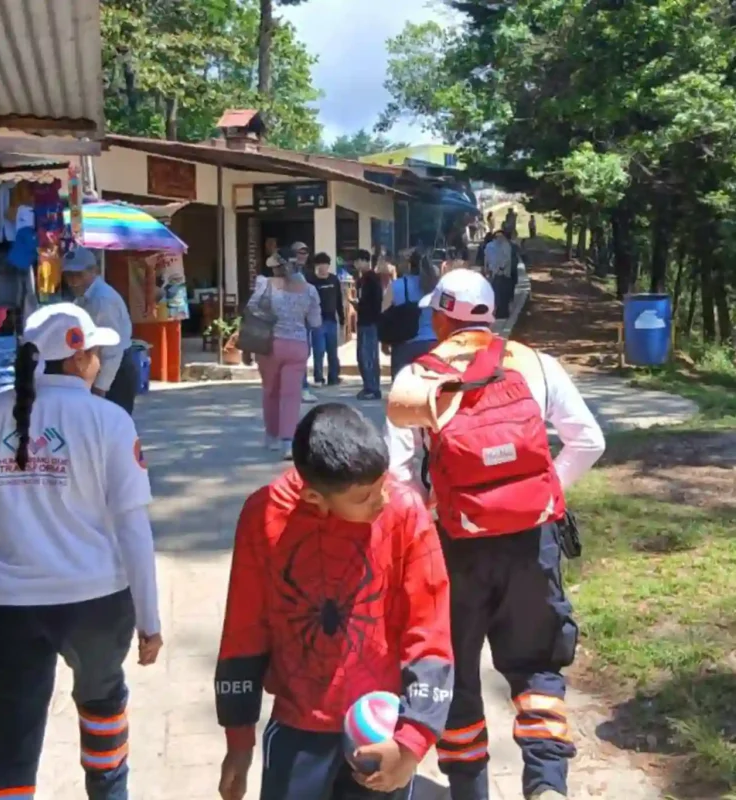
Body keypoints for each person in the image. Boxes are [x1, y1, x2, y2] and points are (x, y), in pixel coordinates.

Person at [385, 268, 607, 800]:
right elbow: (589, 441)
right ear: (490, 315)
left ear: (442, 318)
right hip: (533, 542)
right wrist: (542, 494)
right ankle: (547, 782)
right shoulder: (537, 363)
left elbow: (396, 474)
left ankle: (470, 791)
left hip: (453, 548)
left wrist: (431, 520)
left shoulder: (417, 375)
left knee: (456, 673)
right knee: (537, 667)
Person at [0, 303, 162, 800]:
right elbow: (133, 528)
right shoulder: (110, 420)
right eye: (96, 352)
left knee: (10, 748)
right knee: (103, 712)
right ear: (78, 358)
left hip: (2, 606)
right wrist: (149, 619)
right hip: (97, 602)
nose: (100, 361)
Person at [215, 403, 454, 800]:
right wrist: (238, 743)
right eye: (364, 497)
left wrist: (412, 742)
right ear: (314, 496)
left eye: (382, 483)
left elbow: (430, 628)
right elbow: (244, 628)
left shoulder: (405, 512)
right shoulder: (265, 515)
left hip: (382, 730)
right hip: (296, 727)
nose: (382, 500)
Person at [251, 259, 322, 459]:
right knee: (291, 395)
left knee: (270, 392)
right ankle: (287, 442)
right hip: (298, 345)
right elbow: (315, 322)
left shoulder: (265, 285)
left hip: (270, 344)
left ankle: (271, 435)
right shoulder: (310, 290)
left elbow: (253, 311)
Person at [62, 248, 139, 415]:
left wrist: (100, 387)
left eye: (78, 275)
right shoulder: (83, 297)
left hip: (116, 370)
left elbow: (112, 349)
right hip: (98, 367)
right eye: (69, 275)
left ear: (94, 271)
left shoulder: (102, 299)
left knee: (114, 424)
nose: (73, 281)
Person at [385, 251, 439, 378]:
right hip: (432, 343)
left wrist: (385, 342)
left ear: (409, 266)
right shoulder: (436, 286)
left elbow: (383, 314)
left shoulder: (397, 286)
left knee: (401, 385)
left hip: (404, 344)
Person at [308, 252, 345, 386]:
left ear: (328, 266)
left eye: (325, 265)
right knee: (319, 350)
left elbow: (339, 300)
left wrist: (342, 318)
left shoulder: (334, 280)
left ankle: (333, 377)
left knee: (332, 350)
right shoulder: (311, 281)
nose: (323, 267)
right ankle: (318, 377)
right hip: (317, 320)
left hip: (331, 319)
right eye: (320, 265)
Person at [289, 241, 319, 404]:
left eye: (305, 253)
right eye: (299, 253)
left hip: (304, 319)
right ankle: (299, 388)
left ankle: (301, 387)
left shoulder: (308, 273)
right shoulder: (287, 272)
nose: (303, 256)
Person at [355, 249, 383, 400]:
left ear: (366, 261)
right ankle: (368, 385)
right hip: (362, 320)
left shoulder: (372, 279)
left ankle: (372, 387)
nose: (356, 264)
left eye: (359, 261)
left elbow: (377, 300)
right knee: (362, 355)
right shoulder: (361, 280)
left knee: (368, 355)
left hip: (370, 321)